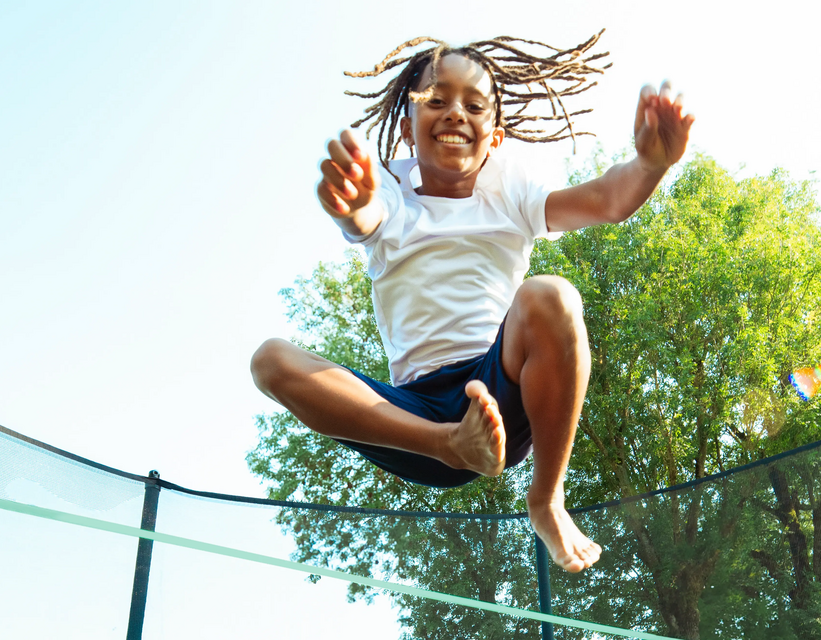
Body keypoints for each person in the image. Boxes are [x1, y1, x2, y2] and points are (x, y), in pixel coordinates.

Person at [250, 33, 692, 573]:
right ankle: (448, 444)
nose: (454, 112)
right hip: (410, 415)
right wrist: (354, 204)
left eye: (474, 104)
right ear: (409, 126)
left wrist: (649, 167)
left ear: (496, 136)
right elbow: (366, 218)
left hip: (497, 394)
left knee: (551, 296)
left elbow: (604, 200)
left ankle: (547, 497)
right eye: (435, 100)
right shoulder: (390, 183)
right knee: (271, 361)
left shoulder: (511, 188)